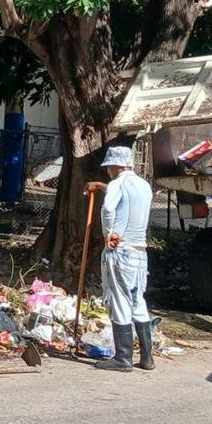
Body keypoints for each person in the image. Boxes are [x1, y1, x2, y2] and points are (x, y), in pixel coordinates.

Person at [83, 146, 155, 371]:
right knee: (137, 301)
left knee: (119, 300)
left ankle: (123, 358)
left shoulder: (117, 184)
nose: (108, 172)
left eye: (109, 168)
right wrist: (102, 187)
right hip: (139, 251)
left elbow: (108, 209)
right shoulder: (143, 186)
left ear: (115, 166)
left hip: (120, 250)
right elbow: (126, 200)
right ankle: (147, 357)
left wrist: (108, 234)